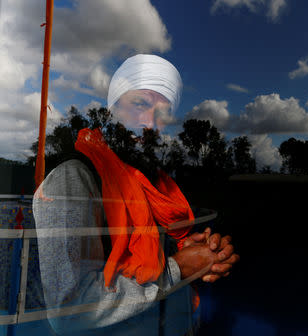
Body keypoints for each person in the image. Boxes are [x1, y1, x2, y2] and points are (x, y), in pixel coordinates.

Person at [32, 54, 239, 336]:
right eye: (140, 104)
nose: (150, 123)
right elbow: (69, 313)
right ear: (112, 109)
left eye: (163, 113)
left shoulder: (155, 187)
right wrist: (178, 268)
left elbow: (149, 257)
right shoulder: (74, 180)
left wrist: (196, 254)